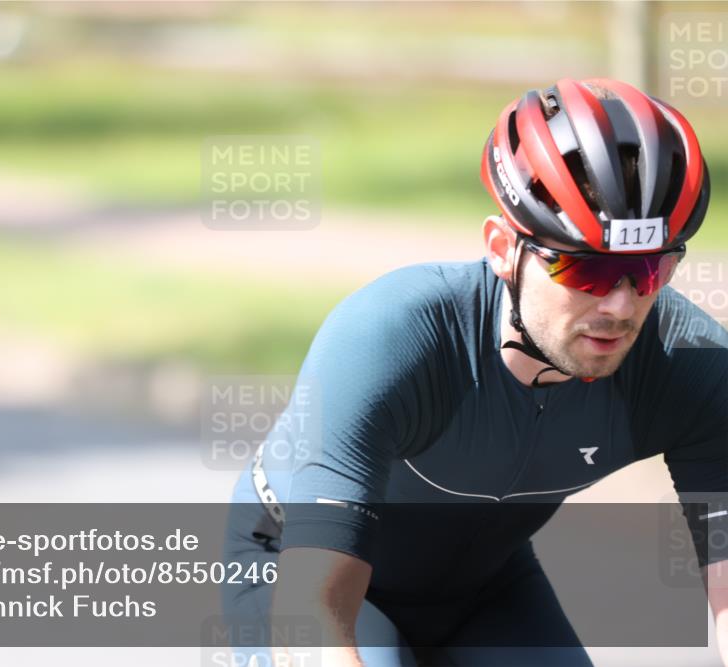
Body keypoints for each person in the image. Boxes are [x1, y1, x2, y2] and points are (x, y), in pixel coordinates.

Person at [221, 78, 728, 666]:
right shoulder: (391, 338)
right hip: (297, 572)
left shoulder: (690, 366)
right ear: (501, 248)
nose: (619, 306)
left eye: (647, 269)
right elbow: (313, 609)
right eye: (585, 270)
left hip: (483, 590)